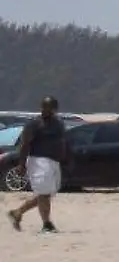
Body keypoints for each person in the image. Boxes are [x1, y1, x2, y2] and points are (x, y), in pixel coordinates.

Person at [7, 98, 68, 234]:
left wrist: (65, 157)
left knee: (46, 194)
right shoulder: (34, 124)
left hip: (54, 161)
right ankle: (47, 224)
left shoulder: (59, 124)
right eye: (44, 107)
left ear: (55, 109)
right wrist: (21, 165)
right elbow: (24, 145)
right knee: (44, 193)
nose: (46, 110)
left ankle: (17, 212)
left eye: (50, 107)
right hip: (38, 160)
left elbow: (63, 141)